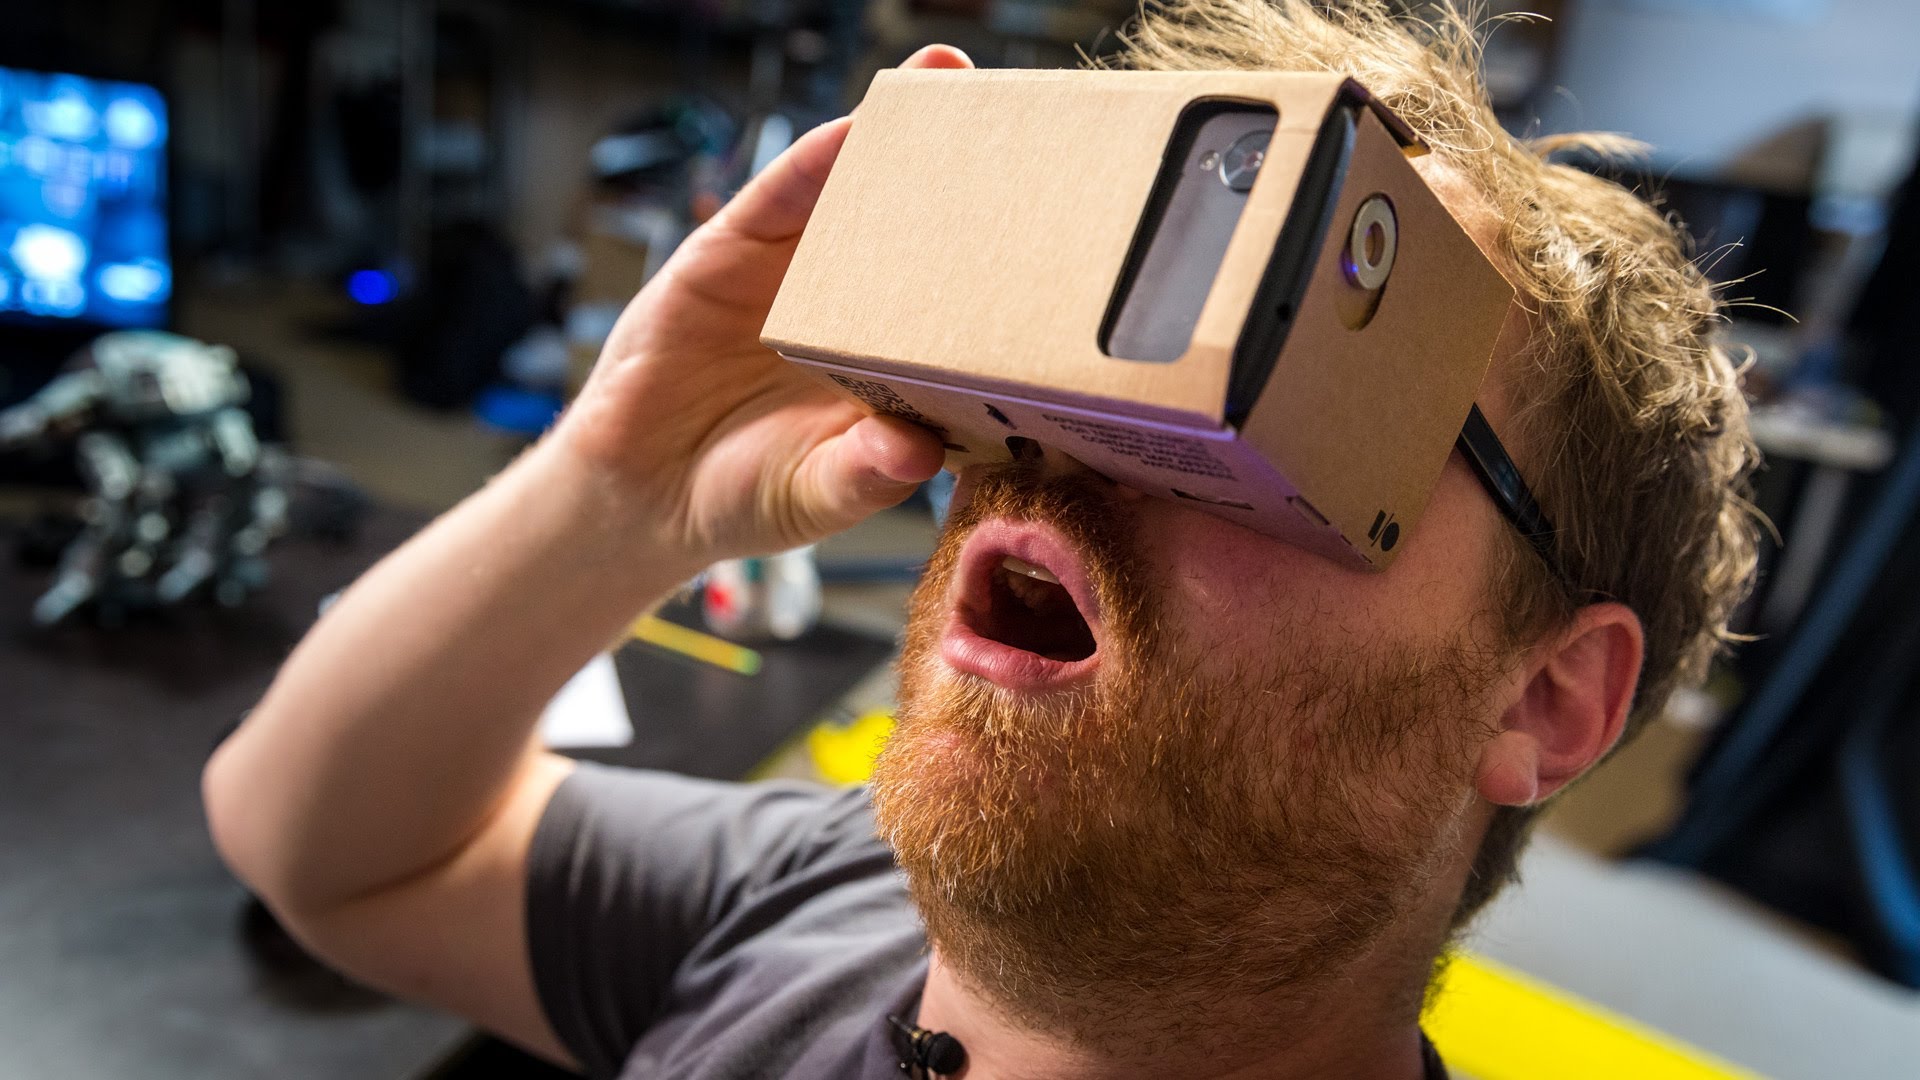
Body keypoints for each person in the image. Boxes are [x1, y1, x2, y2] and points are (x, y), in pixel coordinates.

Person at [202, 2, 1761, 1077]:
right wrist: (620, 490)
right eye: (1086, 355)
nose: (1069, 452)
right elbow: (320, 851)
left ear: (1543, 699)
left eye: (1294, 383)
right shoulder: (830, 894)